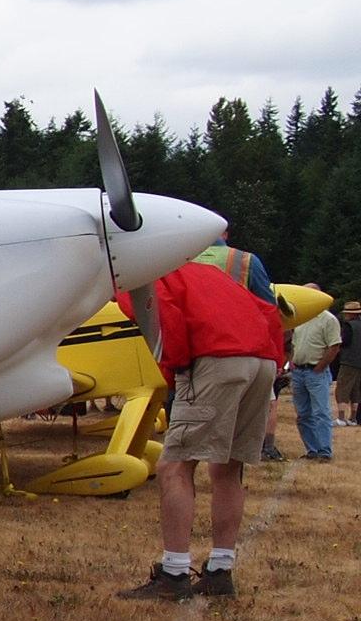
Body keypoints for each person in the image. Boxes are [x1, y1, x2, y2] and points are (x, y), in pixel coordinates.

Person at [116, 258, 284, 601]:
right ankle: (220, 571)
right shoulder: (209, 274)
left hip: (216, 358)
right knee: (228, 467)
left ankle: (174, 574)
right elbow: (268, 312)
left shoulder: (144, 274)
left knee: (175, 465)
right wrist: (275, 364)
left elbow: (166, 324)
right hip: (261, 359)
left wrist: (176, 373)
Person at [290, 289, 341, 460]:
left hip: (315, 371)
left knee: (320, 412)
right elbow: (294, 342)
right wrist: (291, 361)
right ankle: (312, 449)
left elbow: (334, 346)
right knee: (303, 413)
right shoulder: (299, 318)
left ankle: (325, 450)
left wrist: (320, 366)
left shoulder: (328, 319)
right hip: (298, 370)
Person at [337, 302, 361, 427]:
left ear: (350, 314)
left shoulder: (348, 326)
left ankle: (341, 417)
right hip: (359, 362)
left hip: (348, 361)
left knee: (343, 388)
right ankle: (353, 417)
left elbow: (344, 342)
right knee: (356, 390)